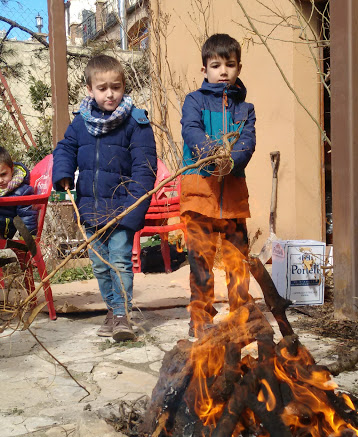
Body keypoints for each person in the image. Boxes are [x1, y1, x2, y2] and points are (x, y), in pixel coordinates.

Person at [53, 54, 157, 341]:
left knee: (120, 261)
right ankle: (112, 310)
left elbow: (145, 167)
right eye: (102, 88)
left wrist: (133, 208)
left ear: (123, 86)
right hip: (90, 207)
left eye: (116, 86)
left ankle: (123, 315)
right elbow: (65, 149)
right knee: (100, 264)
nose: (110, 93)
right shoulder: (81, 123)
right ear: (90, 89)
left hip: (123, 207)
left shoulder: (136, 123)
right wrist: (63, 173)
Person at [180, 33, 256, 338]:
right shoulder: (194, 101)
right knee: (200, 263)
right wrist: (213, 154)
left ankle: (242, 317)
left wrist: (232, 161)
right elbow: (191, 130)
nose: (223, 70)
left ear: (238, 67)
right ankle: (200, 320)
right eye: (215, 65)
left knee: (239, 263)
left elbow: (248, 141)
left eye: (230, 64)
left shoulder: (246, 108)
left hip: (234, 197)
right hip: (200, 195)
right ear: (204, 70)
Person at [0, 146, 38, 239]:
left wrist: (28, 240)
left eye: (3, 174)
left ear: (12, 169)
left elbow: (27, 216)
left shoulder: (21, 191)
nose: (0, 180)